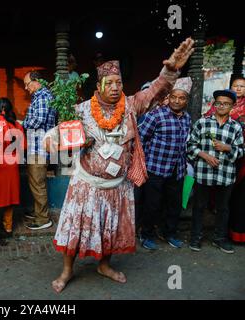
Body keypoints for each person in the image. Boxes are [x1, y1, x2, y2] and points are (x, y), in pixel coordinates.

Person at [46, 38, 194, 293]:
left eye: (119, 83)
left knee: (110, 229)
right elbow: (59, 132)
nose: (115, 88)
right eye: (109, 83)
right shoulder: (81, 110)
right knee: (75, 228)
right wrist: (52, 139)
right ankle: (67, 270)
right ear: (98, 85)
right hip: (87, 184)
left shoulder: (131, 106)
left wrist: (170, 71)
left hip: (118, 185)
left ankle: (104, 265)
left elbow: (156, 91)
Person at [138, 77, 193, 250]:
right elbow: (140, 139)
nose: (177, 101)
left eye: (181, 98)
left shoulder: (187, 118)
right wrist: (145, 161)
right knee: (152, 205)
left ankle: (169, 233)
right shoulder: (155, 115)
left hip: (177, 170)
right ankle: (146, 234)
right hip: (155, 168)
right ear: (169, 96)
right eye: (174, 97)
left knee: (174, 205)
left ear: (186, 100)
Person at [187, 89, 244, 254]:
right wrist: (204, 155)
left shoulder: (236, 127)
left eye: (226, 103)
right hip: (203, 172)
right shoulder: (202, 123)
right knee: (199, 206)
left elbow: (241, 151)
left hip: (225, 175)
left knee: (223, 208)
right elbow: (190, 145)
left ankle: (219, 238)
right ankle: (196, 237)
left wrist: (227, 148)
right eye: (219, 103)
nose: (222, 106)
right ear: (214, 104)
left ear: (232, 106)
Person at [0, 98, 26, 241]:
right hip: (11, 164)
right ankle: (8, 228)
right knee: (9, 196)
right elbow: (23, 147)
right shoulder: (16, 125)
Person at [23, 70, 57, 230]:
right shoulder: (40, 96)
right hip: (37, 148)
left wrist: (23, 123)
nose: (25, 87)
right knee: (35, 183)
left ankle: (43, 219)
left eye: (27, 84)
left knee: (38, 184)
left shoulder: (42, 97)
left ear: (36, 81)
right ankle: (38, 212)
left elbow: (38, 121)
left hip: (39, 150)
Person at [228, 77, 245, 243]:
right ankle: (230, 232)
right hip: (227, 156)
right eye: (236, 86)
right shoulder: (222, 104)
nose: (239, 89)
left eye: (242, 86)